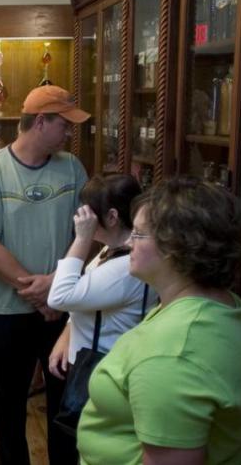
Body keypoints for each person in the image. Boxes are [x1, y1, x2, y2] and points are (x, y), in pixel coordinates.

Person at [77, 176, 241, 464]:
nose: (129, 241)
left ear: (178, 247)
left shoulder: (173, 354)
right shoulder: (216, 303)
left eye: (139, 234)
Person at [0, 84, 90, 464]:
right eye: (64, 124)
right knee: (10, 407)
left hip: (63, 313)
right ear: (39, 122)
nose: (69, 133)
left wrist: (55, 287)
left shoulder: (72, 168)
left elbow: (88, 231)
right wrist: (37, 292)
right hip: (8, 312)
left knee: (65, 407)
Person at [45, 174, 157, 445]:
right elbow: (86, 293)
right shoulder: (114, 249)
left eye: (88, 212)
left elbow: (59, 297)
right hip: (90, 359)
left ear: (112, 216)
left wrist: (82, 239)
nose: (81, 217)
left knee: (82, 445)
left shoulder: (125, 268)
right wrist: (67, 333)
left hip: (102, 369)